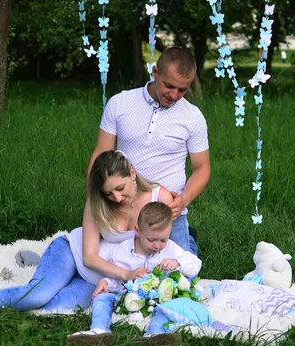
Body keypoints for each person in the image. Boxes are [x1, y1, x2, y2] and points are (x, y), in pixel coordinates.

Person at [0, 150, 174, 329]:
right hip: (74, 254)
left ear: (132, 173)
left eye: (120, 189)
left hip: (99, 280)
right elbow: (89, 256)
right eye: (109, 193)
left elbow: (168, 243)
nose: (117, 198)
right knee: (37, 295)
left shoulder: (158, 196)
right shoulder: (97, 204)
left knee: (52, 307)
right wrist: (126, 275)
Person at [87, 47, 210, 256]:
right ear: (155, 72)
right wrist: (95, 199)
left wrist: (184, 200)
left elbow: (202, 168)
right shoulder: (120, 103)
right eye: (169, 86)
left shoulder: (193, 117)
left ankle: (187, 239)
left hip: (167, 212)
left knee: (184, 277)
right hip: (122, 206)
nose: (174, 95)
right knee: (112, 272)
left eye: (182, 90)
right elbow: (101, 154)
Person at [66, 202, 201, 346]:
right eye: (151, 240)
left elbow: (195, 264)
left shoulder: (171, 249)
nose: (157, 245)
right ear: (137, 231)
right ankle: (98, 330)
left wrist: (177, 262)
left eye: (163, 240)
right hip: (128, 298)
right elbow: (116, 278)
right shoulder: (122, 251)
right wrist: (106, 282)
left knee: (169, 307)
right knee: (102, 298)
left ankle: (156, 334)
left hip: (159, 299)